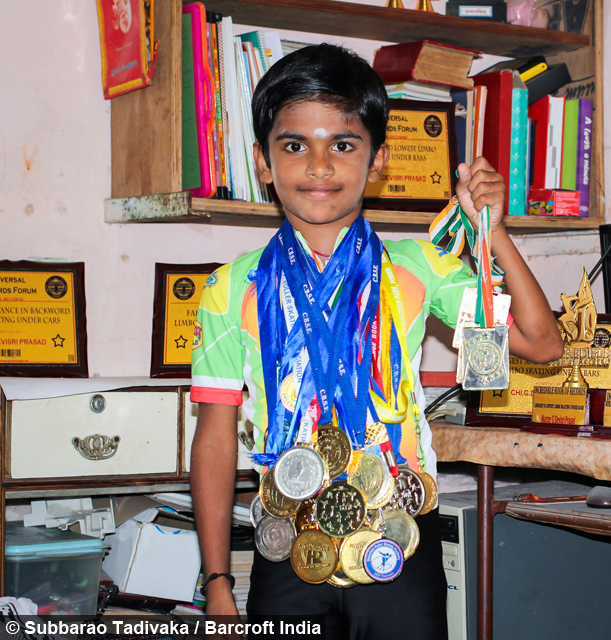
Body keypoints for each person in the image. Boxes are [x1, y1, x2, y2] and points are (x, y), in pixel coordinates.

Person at [190, 43, 564, 639]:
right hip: (288, 547)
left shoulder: (420, 268)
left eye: (343, 144)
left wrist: (493, 231)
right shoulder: (228, 289)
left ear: (378, 159)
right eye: (294, 146)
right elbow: (214, 439)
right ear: (263, 162)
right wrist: (216, 580)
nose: (319, 167)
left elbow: (542, 343)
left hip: (400, 540)